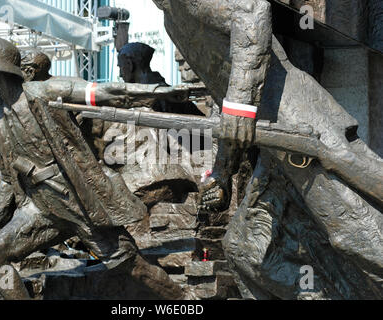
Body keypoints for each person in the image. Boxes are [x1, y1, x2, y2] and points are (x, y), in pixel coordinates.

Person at [153, 0, 383, 299]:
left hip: (294, 122)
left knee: (362, 238)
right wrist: (223, 173)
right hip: (271, 143)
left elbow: (251, 10)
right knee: (247, 250)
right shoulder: (172, 20)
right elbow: (231, 113)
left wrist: (238, 108)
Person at [0, 36, 186, 300]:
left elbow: (103, 93)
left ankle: (184, 302)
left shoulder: (41, 93)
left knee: (133, 267)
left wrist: (155, 92)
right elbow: (10, 180)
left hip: (79, 203)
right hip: (38, 209)